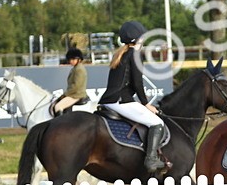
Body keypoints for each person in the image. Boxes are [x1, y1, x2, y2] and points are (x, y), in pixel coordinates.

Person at [99, 21, 166, 172]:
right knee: (157, 123)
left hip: (108, 101)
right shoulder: (135, 54)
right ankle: (151, 160)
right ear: (138, 39)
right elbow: (137, 83)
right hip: (120, 101)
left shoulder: (121, 53)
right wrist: (146, 104)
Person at [53, 48, 88, 115]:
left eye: (73, 59)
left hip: (76, 95)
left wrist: (65, 94)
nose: (71, 61)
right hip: (73, 94)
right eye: (70, 59)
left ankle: (61, 124)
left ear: (79, 59)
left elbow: (76, 86)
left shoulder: (79, 69)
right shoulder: (75, 68)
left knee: (58, 106)